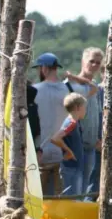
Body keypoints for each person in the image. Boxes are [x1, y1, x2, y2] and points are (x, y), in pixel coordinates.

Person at [65, 47, 104, 194]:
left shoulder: (97, 89)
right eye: (91, 61)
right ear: (83, 61)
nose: (94, 65)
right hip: (75, 145)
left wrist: (99, 138)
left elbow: (99, 114)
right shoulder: (71, 86)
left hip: (92, 146)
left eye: (98, 63)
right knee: (72, 187)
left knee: (85, 188)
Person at [32, 53, 71, 196]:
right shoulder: (67, 90)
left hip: (39, 152)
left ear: (44, 69)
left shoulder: (34, 90)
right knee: (59, 197)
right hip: (62, 151)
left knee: (37, 196)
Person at [51, 93, 89, 196]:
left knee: (75, 197)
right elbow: (55, 138)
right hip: (71, 168)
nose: (85, 110)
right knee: (71, 198)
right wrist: (68, 151)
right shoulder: (71, 123)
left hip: (75, 167)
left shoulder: (75, 122)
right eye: (84, 107)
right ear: (77, 107)